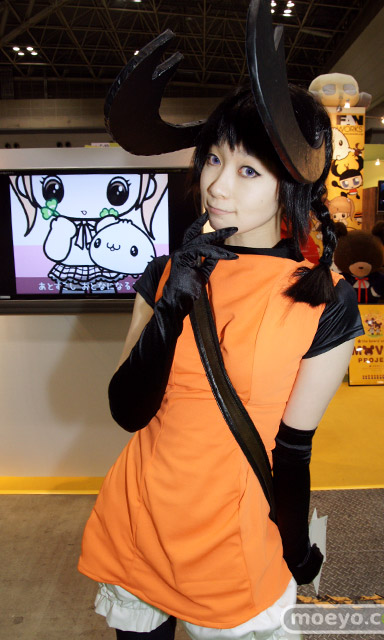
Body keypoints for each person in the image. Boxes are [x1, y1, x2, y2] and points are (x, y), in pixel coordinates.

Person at [78, 84, 364, 640]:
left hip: (234, 544)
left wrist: (294, 548)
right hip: (139, 523)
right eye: (213, 159)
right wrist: (170, 308)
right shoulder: (167, 273)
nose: (217, 185)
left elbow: (292, 451)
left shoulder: (324, 300)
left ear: (292, 184)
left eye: (247, 170)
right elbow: (128, 411)